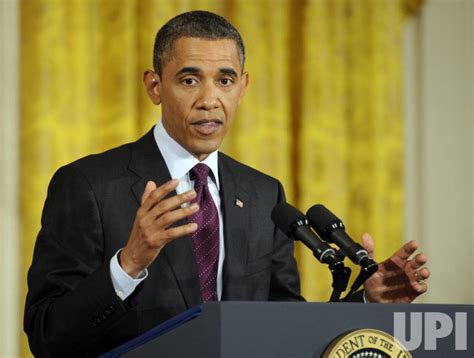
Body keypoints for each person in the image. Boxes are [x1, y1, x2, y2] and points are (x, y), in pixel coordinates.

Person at [24, 10, 430, 357]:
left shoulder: (263, 195)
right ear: (154, 86)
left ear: (243, 87)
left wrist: (366, 304)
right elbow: (47, 336)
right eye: (189, 80)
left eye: (225, 80)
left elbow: (284, 326)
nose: (209, 99)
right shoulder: (88, 186)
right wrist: (129, 262)